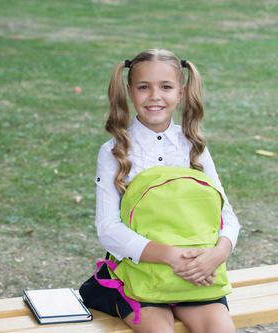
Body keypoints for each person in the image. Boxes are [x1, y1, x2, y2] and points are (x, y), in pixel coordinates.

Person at [80, 49, 240, 333]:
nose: (155, 96)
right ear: (130, 92)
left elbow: (224, 212)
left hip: (195, 274)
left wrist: (218, 253)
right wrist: (169, 255)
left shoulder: (194, 147)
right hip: (138, 272)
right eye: (144, 87)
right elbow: (107, 228)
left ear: (180, 93)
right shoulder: (115, 152)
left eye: (165, 87)